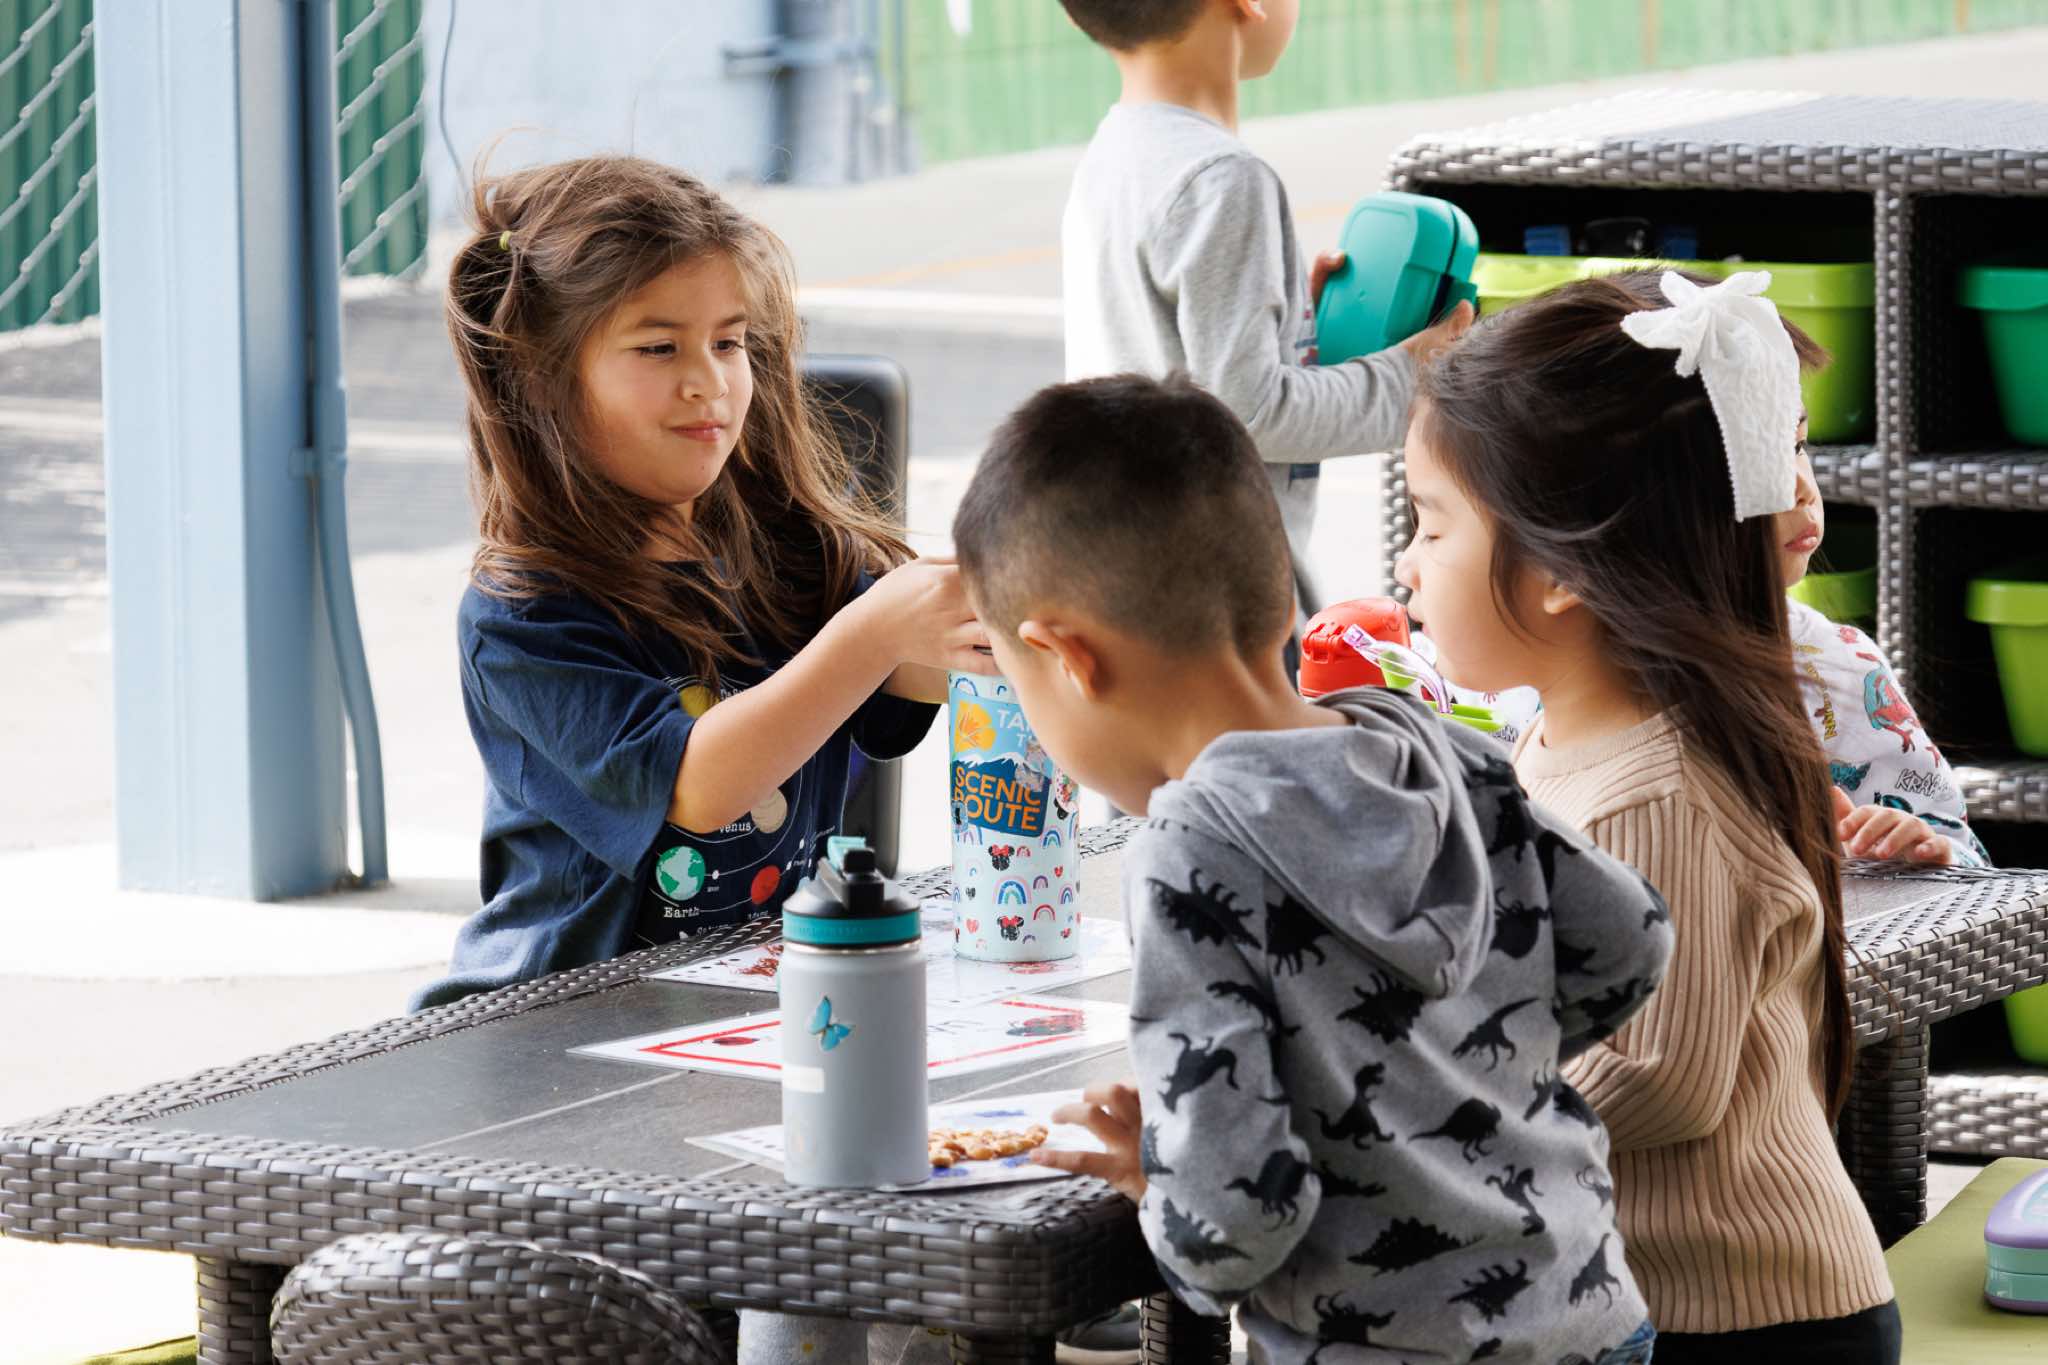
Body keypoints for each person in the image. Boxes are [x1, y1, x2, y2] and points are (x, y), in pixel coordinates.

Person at [958, 373, 1669, 1365]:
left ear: (1068, 659)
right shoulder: (1435, 750)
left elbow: (1234, 1222)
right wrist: (1462, 1071)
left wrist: (1160, 1177)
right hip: (1594, 1320)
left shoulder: (1189, 850)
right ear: (1276, 595)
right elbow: (1628, 938)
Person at [1397, 269, 1901, 1362]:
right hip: (1646, 1300)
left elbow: (1657, 1075)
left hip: (1743, 1314)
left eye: (1432, 528)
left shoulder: (1652, 791)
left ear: (1558, 571)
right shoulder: (1562, 740)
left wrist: (1418, 1108)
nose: (1407, 564)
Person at [419, 156, 985, 1011]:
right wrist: (873, 630)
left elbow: (930, 662)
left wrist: (1024, 619)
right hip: (555, 1020)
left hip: (742, 1004)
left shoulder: (790, 550)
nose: (709, 382)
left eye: (729, 342)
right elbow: (696, 786)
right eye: (659, 347)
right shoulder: (523, 618)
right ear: (541, 376)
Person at [1057, 0, 1472, 624]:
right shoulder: (1222, 177)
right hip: (1222, 597)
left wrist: (1286, 326)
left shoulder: (1117, 154)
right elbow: (1248, 414)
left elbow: (1177, 358)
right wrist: (1414, 377)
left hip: (1136, 569)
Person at [1773, 443, 1991, 866]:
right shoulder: (1629, 677)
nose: (1800, 487)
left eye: (1797, 446)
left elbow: (1963, 858)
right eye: (1754, 459)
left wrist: (1922, 852)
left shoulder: (1835, 661)